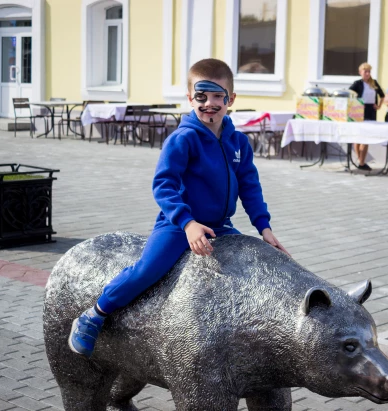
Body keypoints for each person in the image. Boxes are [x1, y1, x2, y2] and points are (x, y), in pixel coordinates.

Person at [68, 58, 289, 358]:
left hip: (220, 226)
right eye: (201, 96)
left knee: (252, 264)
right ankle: (94, 315)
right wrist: (187, 224)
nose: (209, 103)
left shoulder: (239, 143)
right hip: (178, 225)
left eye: (217, 96)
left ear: (231, 99)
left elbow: (250, 186)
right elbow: (164, 184)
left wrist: (265, 229)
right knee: (147, 270)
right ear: (190, 98)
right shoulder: (183, 139)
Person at [349, 62, 384, 171]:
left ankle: (361, 162)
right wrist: (355, 106)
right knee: (358, 137)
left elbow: (382, 95)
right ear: (360, 72)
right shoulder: (357, 83)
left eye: (369, 71)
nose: (368, 73)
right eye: (365, 71)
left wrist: (378, 106)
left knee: (366, 137)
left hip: (371, 111)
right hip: (359, 111)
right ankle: (361, 161)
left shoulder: (374, 83)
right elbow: (349, 95)